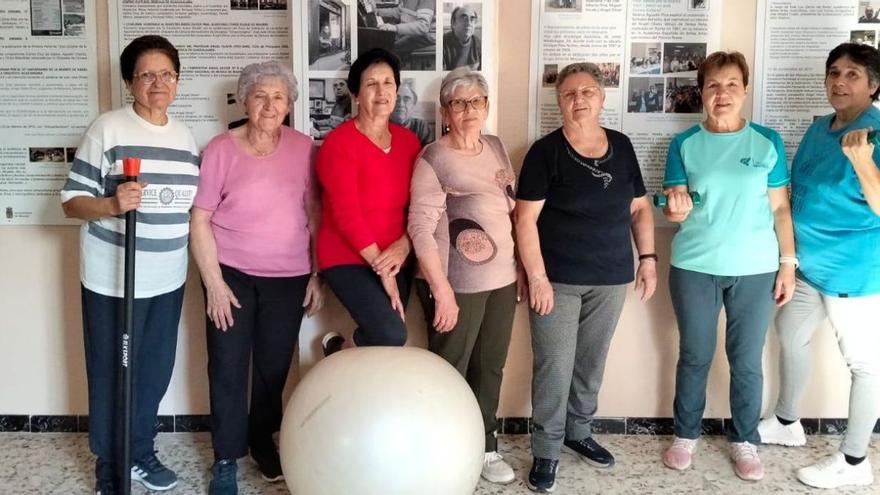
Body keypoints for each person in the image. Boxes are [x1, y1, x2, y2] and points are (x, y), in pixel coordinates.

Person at [60, 35, 199, 494]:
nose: (158, 83)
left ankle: (139, 451)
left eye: (167, 74)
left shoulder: (184, 137)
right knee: (110, 372)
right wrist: (111, 205)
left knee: (154, 373)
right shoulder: (108, 129)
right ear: (129, 82)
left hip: (167, 279)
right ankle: (109, 464)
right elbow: (71, 203)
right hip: (112, 280)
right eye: (146, 74)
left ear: (177, 81)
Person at [516, 62, 657, 493]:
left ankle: (578, 432)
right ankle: (546, 449)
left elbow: (638, 208)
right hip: (557, 279)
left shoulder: (623, 145)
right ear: (559, 102)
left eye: (587, 91)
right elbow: (525, 220)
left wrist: (647, 258)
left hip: (611, 278)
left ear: (602, 97)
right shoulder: (545, 152)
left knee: (591, 363)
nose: (579, 99)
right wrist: (536, 277)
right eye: (569, 93)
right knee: (555, 366)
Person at [658, 51, 796, 481]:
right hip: (695, 265)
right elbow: (675, 211)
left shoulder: (767, 142)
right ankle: (686, 435)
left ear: (745, 90)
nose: (722, 93)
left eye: (732, 84)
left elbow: (780, 212)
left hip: (755, 268)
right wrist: (675, 208)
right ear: (701, 92)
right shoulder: (684, 144)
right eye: (713, 85)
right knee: (694, 355)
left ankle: (744, 440)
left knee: (747, 359)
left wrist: (788, 263)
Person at [190, 61, 325, 495]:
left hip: (288, 277)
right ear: (245, 100)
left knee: (272, 369)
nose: (269, 105)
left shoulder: (305, 148)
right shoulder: (220, 150)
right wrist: (213, 282)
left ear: (289, 105)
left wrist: (317, 274)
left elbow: (315, 215)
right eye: (260, 95)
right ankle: (226, 458)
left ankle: (260, 439)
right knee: (228, 367)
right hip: (230, 275)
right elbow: (200, 219)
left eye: (279, 97)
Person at [758, 42, 880, 489]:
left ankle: (853, 463)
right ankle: (787, 421)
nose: (839, 81)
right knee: (788, 333)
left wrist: (864, 162)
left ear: (874, 85)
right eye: (833, 73)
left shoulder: (876, 132)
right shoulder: (820, 127)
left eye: (852, 74)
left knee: (865, 365)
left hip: (855, 273)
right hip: (808, 264)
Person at [408, 67, 522, 486]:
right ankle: (443, 450)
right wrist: (443, 291)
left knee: (490, 367)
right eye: (459, 102)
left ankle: (486, 447)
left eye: (476, 101)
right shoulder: (433, 158)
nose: (469, 109)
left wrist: (522, 269)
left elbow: (509, 210)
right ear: (445, 111)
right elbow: (420, 227)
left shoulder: (494, 146)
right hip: (456, 285)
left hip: (502, 280)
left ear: (487, 107)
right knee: (449, 370)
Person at [317, 48, 422, 354]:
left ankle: (348, 364)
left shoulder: (409, 142)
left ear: (397, 90)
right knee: (390, 332)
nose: (381, 91)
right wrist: (384, 271)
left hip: (396, 254)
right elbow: (346, 214)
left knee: (386, 343)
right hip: (347, 256)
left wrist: (404, 246)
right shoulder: (339, 144)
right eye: (371, 84)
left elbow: (418, 206)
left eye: (388, 83)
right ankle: (339, 355)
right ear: (356, 94)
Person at [391, 79, 434, 146]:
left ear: (413, 104)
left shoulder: (421, 127)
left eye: (406, 99)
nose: (401, 104)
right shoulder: (380, 126)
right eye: (396, 98)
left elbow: (429, 154)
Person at [443, 6, 481, 71]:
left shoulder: (477, 42)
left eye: (472, 19)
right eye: (464, 18)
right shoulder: (443, 43)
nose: (469, 23)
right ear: (453, 23)